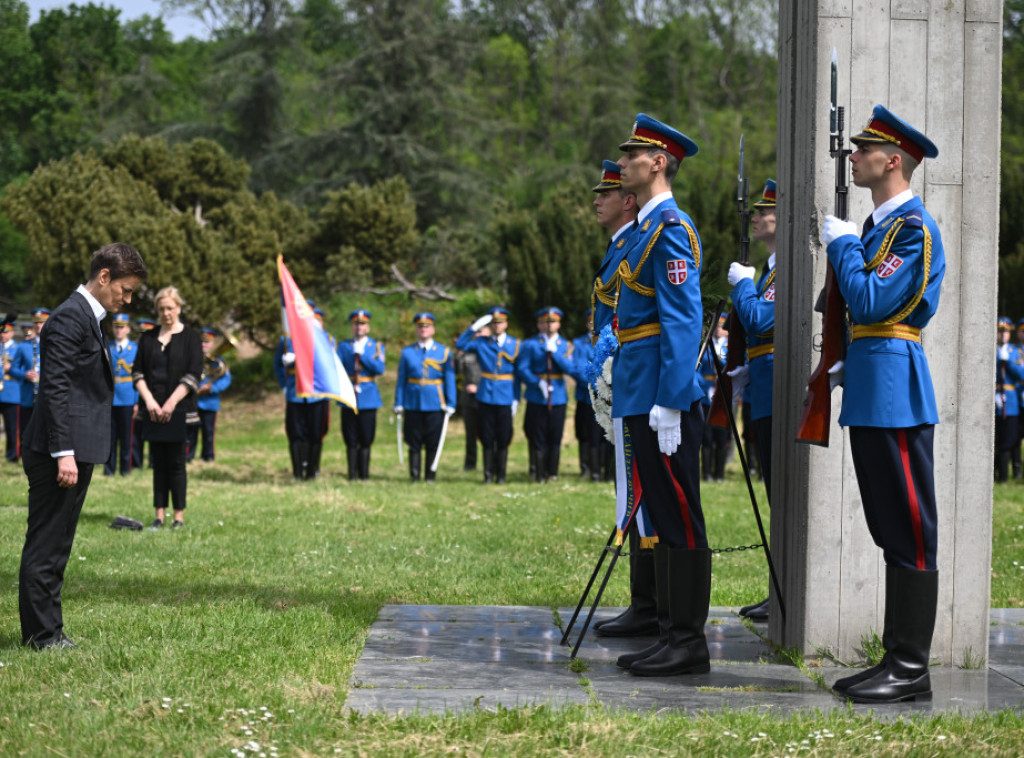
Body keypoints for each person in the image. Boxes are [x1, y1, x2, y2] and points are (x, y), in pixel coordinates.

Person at [820, 105, 945, 703]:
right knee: (888, 525)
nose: (854, 154)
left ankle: (911, 666)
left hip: (896, 391)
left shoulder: (912, 228)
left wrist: (842, 246)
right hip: (871, 387)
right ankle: (898, 659)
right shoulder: (876, 230)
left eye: (864, 147)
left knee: (911, 527)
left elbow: (871, 303)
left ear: (892, 160)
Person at [610, 114, 710, 677]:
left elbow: (682, 321)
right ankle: (672, 633)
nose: (622, 163)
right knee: (663, 521)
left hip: (661, 397)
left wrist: (673, 398)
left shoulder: (671, 228)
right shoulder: (647, 229)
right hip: (641, 389)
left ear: (658, 163)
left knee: (680, 519)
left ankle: (689, 643)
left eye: (631, 155)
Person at [18, 243, 147, 649]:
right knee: (47, 544)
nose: (126, 300)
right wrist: (64, 453)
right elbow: (54, 390)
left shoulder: (88, 318)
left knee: (59, 544)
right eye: (124, 290)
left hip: (74, 448)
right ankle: (42, 635)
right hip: (60, 452)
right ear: (104, 276)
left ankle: (49, 630)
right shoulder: (69, 318)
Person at [589, 158, 657, 639]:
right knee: (631, 493)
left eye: (605, 194)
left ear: (627, 201)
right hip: (621, 378)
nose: (597, 201)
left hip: (636, 379)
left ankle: (651, 603)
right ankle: (644, 601)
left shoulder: (637, 242)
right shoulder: (619, 247)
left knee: (642, 497)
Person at [726, 179, 779, 621]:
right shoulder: (769, 271)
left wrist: (742, 286)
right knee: (771, 493)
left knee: (779, 494)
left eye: (764, 212)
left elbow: (762, 317)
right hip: (762, 387)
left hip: (777, 391)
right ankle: (775, 585)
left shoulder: (785, 271)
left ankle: (782, 587)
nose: (757, 218)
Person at [133, 286, 203, 529]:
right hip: (153, 410)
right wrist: (150, 401)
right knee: (157, 463)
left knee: (176, 463)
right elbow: (137, 372)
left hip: (180, 410)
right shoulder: (148, 338)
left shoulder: (192, 338)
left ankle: (179, 517)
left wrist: (171, 403)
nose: (166, 313)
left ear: (179, 308)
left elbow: (194, 374)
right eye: (161, 309)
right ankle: (159, 515)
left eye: (170, 308)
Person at [455, 307, 521, 484]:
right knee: (487, 436)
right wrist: (473, 328)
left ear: (506, 324)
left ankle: (501, 475)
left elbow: (518, 375)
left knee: (503, 437)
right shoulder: (481, 342)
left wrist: (516, 398)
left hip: (505, 395)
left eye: (500, 322)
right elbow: (460, 344)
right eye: (493, 323)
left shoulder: (515, 344)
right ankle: (488, 475)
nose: (497, 326)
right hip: (485, 395)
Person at [395, 313, 456, 482]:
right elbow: (401, 380)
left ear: (433, 329)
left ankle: (430, 475)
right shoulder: (408, 352)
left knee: (432, 441)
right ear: (416, 330)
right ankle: (414, 476)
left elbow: (449, 379)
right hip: (413, 402)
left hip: (435, 403)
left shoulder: (443, 352)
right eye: (420, 327)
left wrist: (451, 402)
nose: (423, 329)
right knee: (413, 441)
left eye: (427, 326)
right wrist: (399, 402)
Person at [517, 307, 574, 483]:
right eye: (545, 322)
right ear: (539, 324)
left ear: (559, 324)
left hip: (557, 395)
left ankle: (553, 472)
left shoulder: (566, 346)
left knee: (555, 434)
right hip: (537, 395)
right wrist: (537, 382)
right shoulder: (531, 344)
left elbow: (571, 369)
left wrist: (555, 354)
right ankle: (539, 473)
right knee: (537, 434)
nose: (549, 325)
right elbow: (522, 368)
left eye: (553, 322)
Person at [336, 309, 385, 480]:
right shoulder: (343, 347)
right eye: (356, 324)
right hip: (349, 394)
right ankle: (351, 474)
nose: (359, 327)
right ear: (352, 327)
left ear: (368, 327)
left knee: (366, 437)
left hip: (368, 396)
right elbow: (337, 369)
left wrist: (363, 356)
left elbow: (379, 369)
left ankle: (364, 474)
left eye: (362, 324)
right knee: (350, 437)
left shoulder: (376, 346)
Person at [188, 328, 232, 462]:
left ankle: (208, 457)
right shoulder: (192, 358)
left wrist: (212, 387)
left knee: (209, 433)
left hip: (210, 402)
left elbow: (226, 380)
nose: (204, 345)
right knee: (190, 432)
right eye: (202, 342)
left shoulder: (219, 362)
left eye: (207, 342)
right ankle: (188, 456)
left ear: (213, 343)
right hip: (193, 401)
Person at [105, 313, 139, 476]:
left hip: (127, 397)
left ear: (128, 329)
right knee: (109, 437)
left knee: (126, 437)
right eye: (116, 327)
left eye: (122, 327)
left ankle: (125, 469)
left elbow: (139, 377)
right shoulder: (107, 347)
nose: (119, 330)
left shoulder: (135, 349)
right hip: (111, 397)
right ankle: (109, 469)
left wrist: (137, 401)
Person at [700, 314, 730, 483]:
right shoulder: (705, 346)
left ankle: (720, 474)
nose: (719, 329)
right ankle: (707, 473)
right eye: (716, 326)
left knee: (722, 437)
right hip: (706, 394)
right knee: (707, 437)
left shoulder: (730, 346)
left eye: (722, 326)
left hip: (723, 395)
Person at [10, 310, 49, 437]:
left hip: (49, 397)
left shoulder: (56, 343)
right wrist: (24, 374)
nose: (38, 325)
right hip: (28, 397)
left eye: (42, 322)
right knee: (26, 434)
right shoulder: (23, 346)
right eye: (36, 322)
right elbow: (12, 368)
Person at [995, 318, 1023, 482]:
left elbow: (1022, 375)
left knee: (1009, 440)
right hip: (995, 397)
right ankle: (995, 472)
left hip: (1010, 401)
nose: (1002, 334)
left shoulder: (1015, 352)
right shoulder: (990, 349)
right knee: (995, 439)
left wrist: (1008, 362)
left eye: (1005, 332)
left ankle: (1004, 478)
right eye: (999, 331)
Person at [455, 334, 484, 472]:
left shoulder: (490, 350)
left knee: (487, 434)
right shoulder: (467, 353)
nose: (478, 335)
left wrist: (479, 387)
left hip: (486, 397)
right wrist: (457, 354)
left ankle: (489, 463)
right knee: (470, 434)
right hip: (469, 399)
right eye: (476, 332)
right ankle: (470, 464)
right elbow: (457, 370)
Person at [1, 317, 21, 463]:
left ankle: (12, 455)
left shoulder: (18, 349)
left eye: (6, 332)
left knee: (12, 427)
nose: (2, 334)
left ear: (12, 332)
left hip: (11, 393)